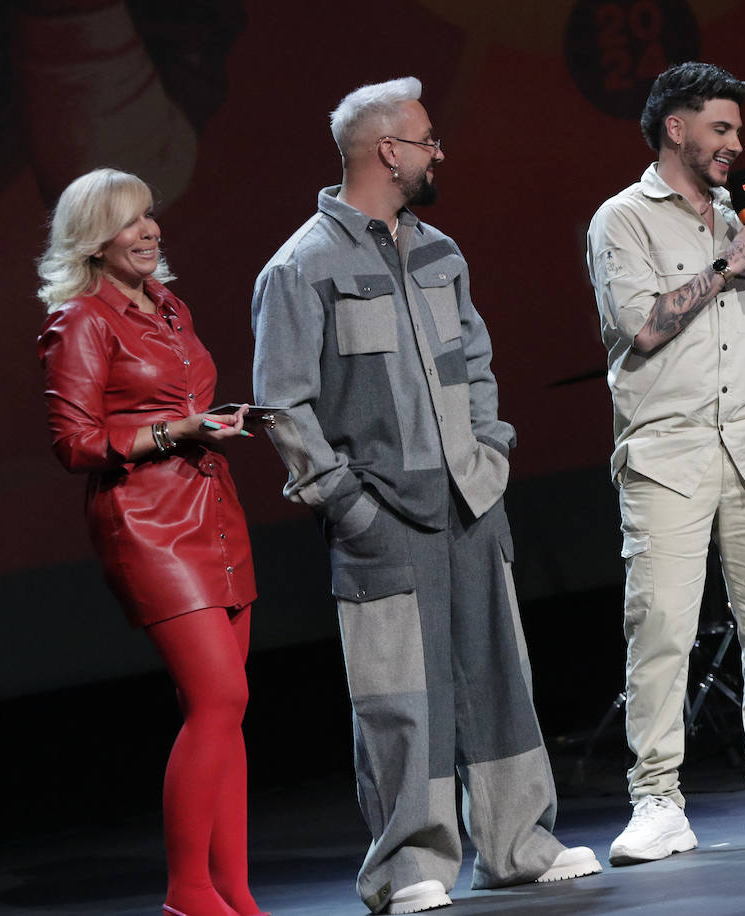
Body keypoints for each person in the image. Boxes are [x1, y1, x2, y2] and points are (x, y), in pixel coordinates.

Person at [250, 77, 599, 914]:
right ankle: (410, 867)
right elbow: (283, 404)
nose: (439, 150)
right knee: (401, 700)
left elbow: (476, 364)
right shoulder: (301, 267)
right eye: (427, 138)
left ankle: (519, 846)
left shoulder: (442, 251)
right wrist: (347, 503)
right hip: (382, 517)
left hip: (472, 503)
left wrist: (493, 452)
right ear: (388, 151)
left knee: (498, 680)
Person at [585, 61, 745, 866]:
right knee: (660, 628)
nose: (735, 144)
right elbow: (641, 328)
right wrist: (728, 262)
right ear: (676, 128)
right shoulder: (622, 220)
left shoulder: (736, 213)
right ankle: (657, 798)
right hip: (670, 452)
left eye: (737, 130)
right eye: (721, 129)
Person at [36, 168, 266, 916]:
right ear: (94, 241)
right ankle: (187, 893)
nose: (149, 230)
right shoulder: (81, 321)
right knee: (217, 696)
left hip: (214, 511)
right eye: (130, 221)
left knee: (228, 706)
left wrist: (218, 420)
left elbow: (183, 403)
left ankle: (232, 890)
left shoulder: (168, 306)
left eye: (150, 216)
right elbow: (75, 442)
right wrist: (176, 430)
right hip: (150, 525)